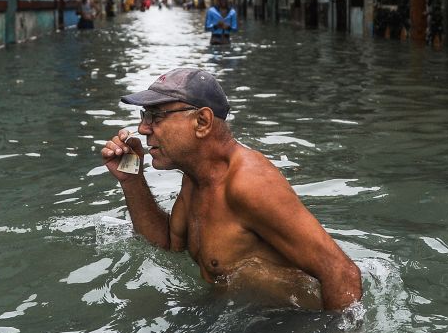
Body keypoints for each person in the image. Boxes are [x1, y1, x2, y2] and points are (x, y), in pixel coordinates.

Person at [99, 68, 362, 311]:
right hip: (238, 314)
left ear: (202, 121)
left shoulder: (249, 184)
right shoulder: (195, 177)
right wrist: (131, 179)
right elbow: (168, 242)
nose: (143, 129)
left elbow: (341, 273)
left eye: (156, 116)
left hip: (287, 327)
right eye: (144, 116)